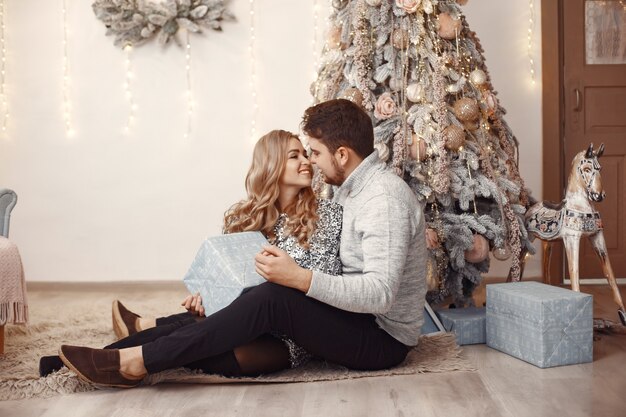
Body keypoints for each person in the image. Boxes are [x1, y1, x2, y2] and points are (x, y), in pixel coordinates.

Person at [57, 99, 427, 388]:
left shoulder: (383, 199)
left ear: (342, 154)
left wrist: (297, 278)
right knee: (243, 308)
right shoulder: (349, 191)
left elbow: (381, 295)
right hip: (353, 320)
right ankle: (82, 362)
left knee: (270, 298)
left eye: (313, 152)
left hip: (382, 339)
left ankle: (135, 363)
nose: (311, 163)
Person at [40, 129, 342, 378]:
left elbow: (323, 283)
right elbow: (228, 287)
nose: (306, 161)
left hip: (288, 337)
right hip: (235, 323)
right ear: (272, 164)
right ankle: (81, 363)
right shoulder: (245, 219)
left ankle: (110, 361)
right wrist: (206, 298)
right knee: (192, 325)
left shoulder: (325, 214)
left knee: (196, 344)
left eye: (306, 154)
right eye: (295, 156)